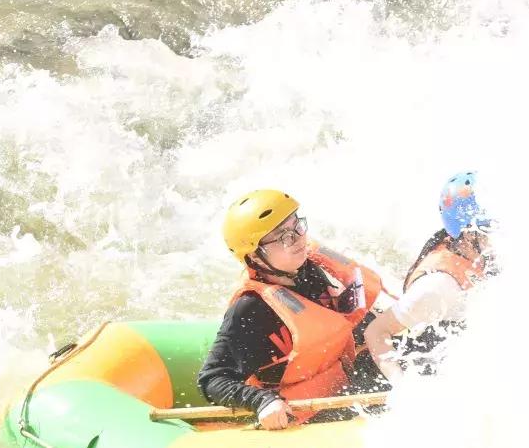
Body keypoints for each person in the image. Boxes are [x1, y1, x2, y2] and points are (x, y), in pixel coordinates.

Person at [198, 189, 390, 430]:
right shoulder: (250, 309)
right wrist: (261, 401)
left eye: (297, 226)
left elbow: (347, 321)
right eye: (282, 237)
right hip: (308, 412)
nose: (298, 238)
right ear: (255, 257)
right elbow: (212, 379)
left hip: (346, 382)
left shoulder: (309, 268)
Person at [363, 171, 497, 385]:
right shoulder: (438, 286)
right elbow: (376, 332)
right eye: (493, 227)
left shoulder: (480, 251)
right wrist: (405, 388)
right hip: (434, 355)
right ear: (469, 234)